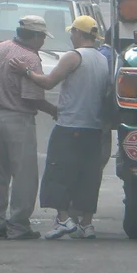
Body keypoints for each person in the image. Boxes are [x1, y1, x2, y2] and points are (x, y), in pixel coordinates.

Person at [17, 16, 111, 239]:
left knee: (58, 172)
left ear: (79, 33)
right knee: (88, 176)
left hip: (69, 125)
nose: (71, 36)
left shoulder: (73, 57)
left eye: (73, 32)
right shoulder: (102, 59)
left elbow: (48, 82)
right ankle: (87, 224)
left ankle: (63, 219)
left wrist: (26, 71)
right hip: (94, 127)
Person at [0, 15, 59, 240]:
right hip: (17, 119)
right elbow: (32, 98)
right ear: (35, 36)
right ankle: (18, 225)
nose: (43, 41)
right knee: (24, 175)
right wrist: (53, 110)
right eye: (43, 37)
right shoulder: (29, 58)